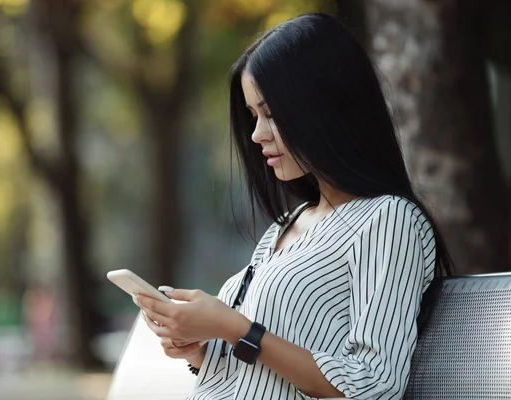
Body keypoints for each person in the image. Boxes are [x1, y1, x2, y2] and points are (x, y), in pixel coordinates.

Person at [135, 12, 454, 400]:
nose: (256, 134)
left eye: (271, 114)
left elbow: (373, 385)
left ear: (325, 106)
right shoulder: (287, 225)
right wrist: (204, 350)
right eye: (253, 116)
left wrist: (235, 327)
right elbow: (269, 363)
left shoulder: (388, 220)